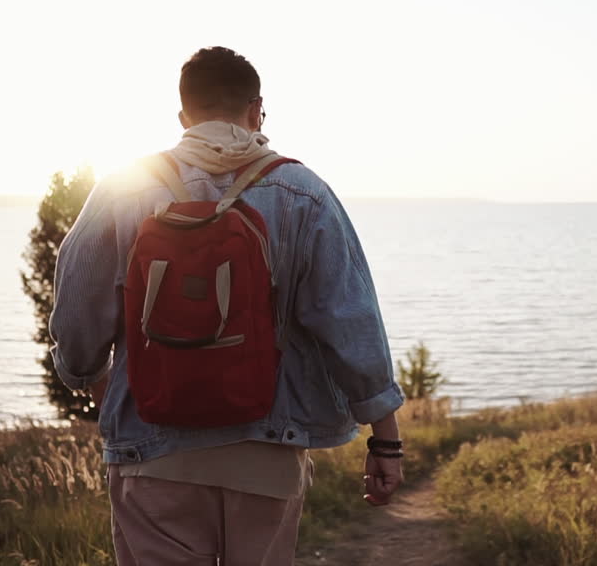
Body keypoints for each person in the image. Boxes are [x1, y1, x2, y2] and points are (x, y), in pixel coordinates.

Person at [48, 46, 404, 566]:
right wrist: (385, 442)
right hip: (267, 448)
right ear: (257, 110)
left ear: (182, 116)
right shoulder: (302, 192)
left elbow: (77, 312)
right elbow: (350, 322)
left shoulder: (122, 189)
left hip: (151, 448)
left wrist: (93, 380)